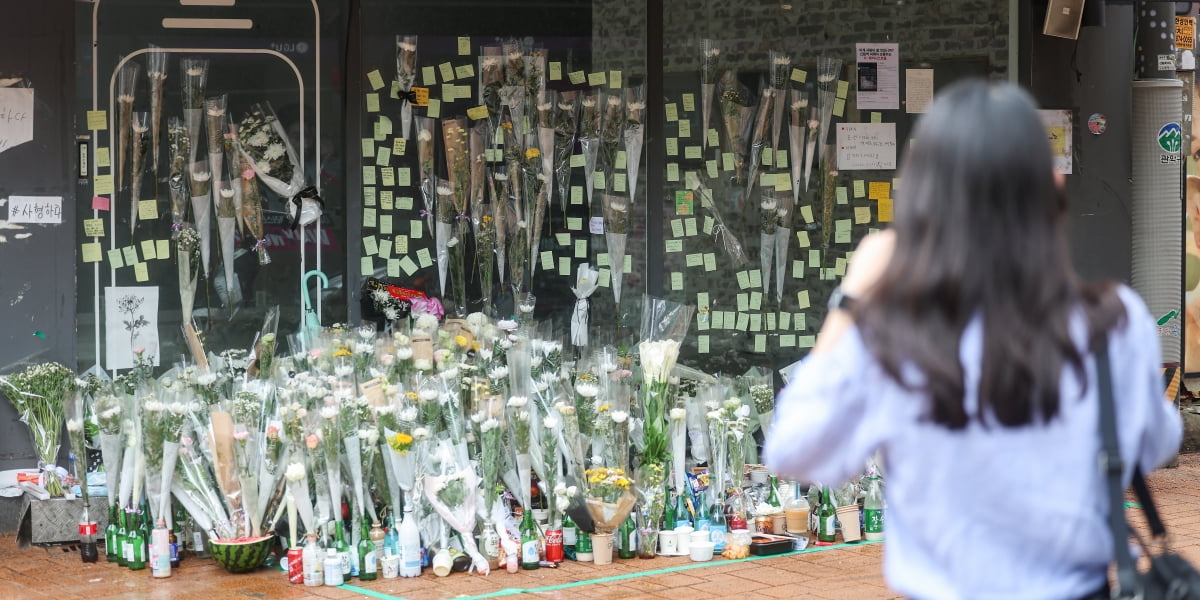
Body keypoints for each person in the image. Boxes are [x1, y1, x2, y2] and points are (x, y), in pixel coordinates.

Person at [764, 79, 1181, 600]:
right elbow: (1156, 442)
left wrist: (851, 299)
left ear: (919, 200)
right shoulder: (1115, 324)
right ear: (1052, 185)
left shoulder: (892, 331)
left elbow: (794, 452)